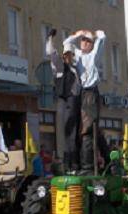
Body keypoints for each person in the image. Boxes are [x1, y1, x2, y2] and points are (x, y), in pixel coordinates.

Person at [63, 29, 106, 174]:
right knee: (80, 127)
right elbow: (66, 43)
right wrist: (77, 34)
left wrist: (94, 34)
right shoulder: (78, 54)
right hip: (80, 93)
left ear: (92, 45)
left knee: (87, 129)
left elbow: (102, 37)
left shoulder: (94, 55)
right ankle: (91, 161)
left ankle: (88, 166)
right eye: (83, 40)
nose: (84, 42)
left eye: (87, 41)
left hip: (90, 93)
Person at [46, 28, 81, 171]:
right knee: (65, 131)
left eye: (70, 55)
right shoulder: (60, 67)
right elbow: (51, 53)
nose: (68, 57)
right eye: (66, 54)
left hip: (73, 100)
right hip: (62, 100)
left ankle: (74, 159)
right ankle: (67, 160)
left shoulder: (75, 69)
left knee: (72, 131)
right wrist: (50, 39)